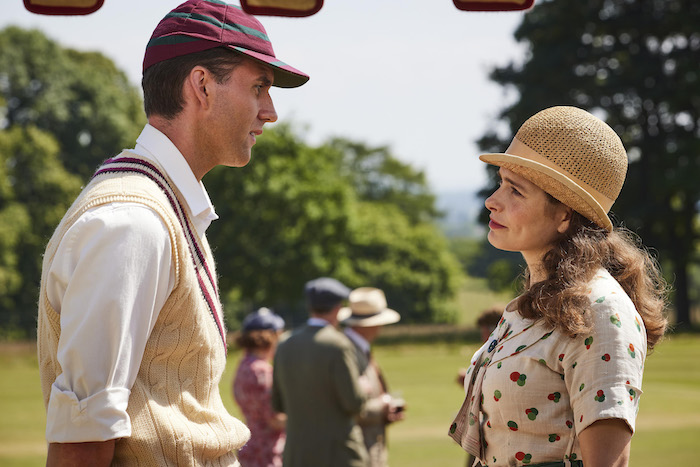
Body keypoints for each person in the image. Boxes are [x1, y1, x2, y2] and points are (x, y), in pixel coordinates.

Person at [36, 1, 308, 465]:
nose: (271, 111)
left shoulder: (159, 207)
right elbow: (83, 436)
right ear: (202, 86)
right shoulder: (133, 222)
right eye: (259, 86)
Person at [448, 106, 669, 467]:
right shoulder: (530, 304)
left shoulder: (600, 310)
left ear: (565, 214)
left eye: (515, 191)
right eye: (500, 182)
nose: (493, 200)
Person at [271, 277, 369, 467]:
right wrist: (362, 388)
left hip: (297, 454)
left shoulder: (284, 344)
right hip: (339, 455)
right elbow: (354, 403)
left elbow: (278, 404)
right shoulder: (338, 344)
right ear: (338, 308)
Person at [339, 287, 406, 467]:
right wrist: (382, 409)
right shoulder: (348, 351)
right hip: (358, 451)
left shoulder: (357, 348)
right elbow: (346, 404)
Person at [233, 308, 287, 467]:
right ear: (272, 336)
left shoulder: (243, 365)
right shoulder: (262, 371)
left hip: (249, 448)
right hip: (267, 453)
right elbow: (274, 419)